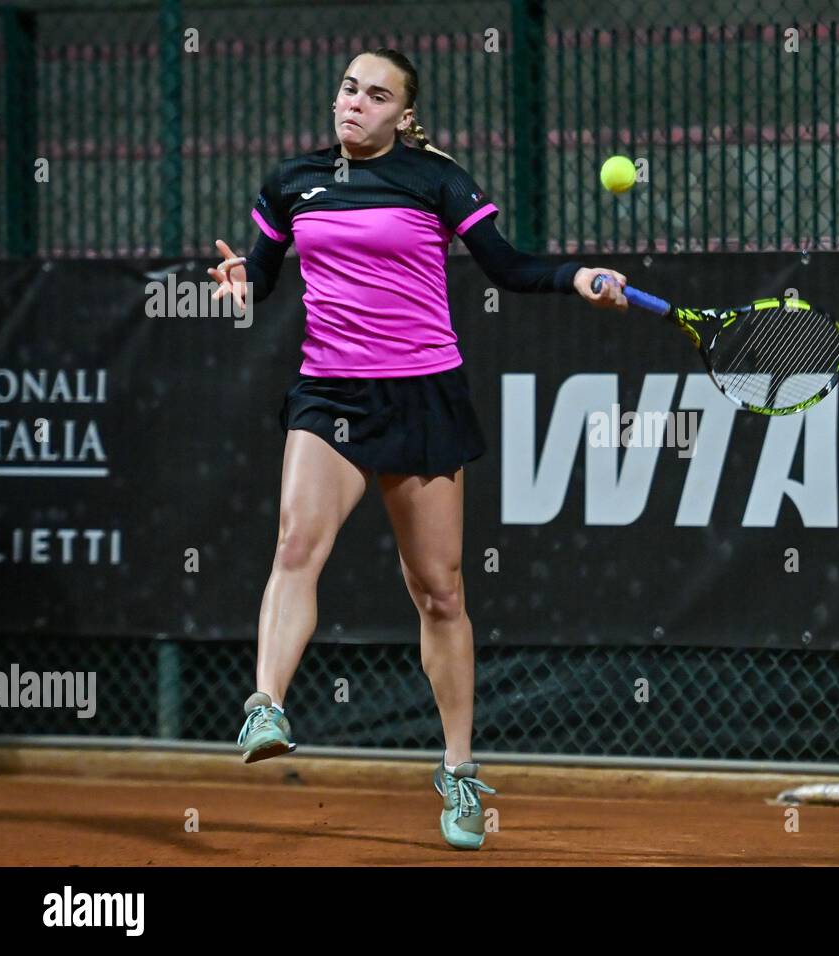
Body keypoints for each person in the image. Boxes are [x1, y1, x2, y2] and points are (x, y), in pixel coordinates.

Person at [206, 47, 627, 851]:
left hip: (424, 394)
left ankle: (460, 772)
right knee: (296, 542)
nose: (353, 103)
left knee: (439, 592)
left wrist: (575, 275)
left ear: (403, 114)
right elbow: (258, 278)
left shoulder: (437, 179)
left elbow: (505, 265)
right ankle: (267, 704)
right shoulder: (291, 183)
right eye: (347, 88)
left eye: (375, 95)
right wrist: (233, 286)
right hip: (330, 393)